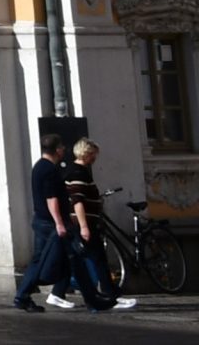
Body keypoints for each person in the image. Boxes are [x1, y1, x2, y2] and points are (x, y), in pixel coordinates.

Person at [13, 127, 84, 311]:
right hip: (50, 223)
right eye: (62, 147)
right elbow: (51, 198)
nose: (64, 150)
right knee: (67, 256)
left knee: (41, 260)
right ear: (57, 149)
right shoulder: (49, 170)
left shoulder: (39, 166)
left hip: (41, 220)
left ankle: (25, 296)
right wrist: (59, 223)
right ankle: (56, 294)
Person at [62, 137, 134, 311]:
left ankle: (105, 294)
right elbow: (77, 201)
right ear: (86, 153)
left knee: (89, 259)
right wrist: (84, 226)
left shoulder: (78, 171)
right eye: (93, 154)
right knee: (98, 259)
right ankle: (110, 295)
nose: (95, 158)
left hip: (85, 222)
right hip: (84, 223)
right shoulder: (78, 173)